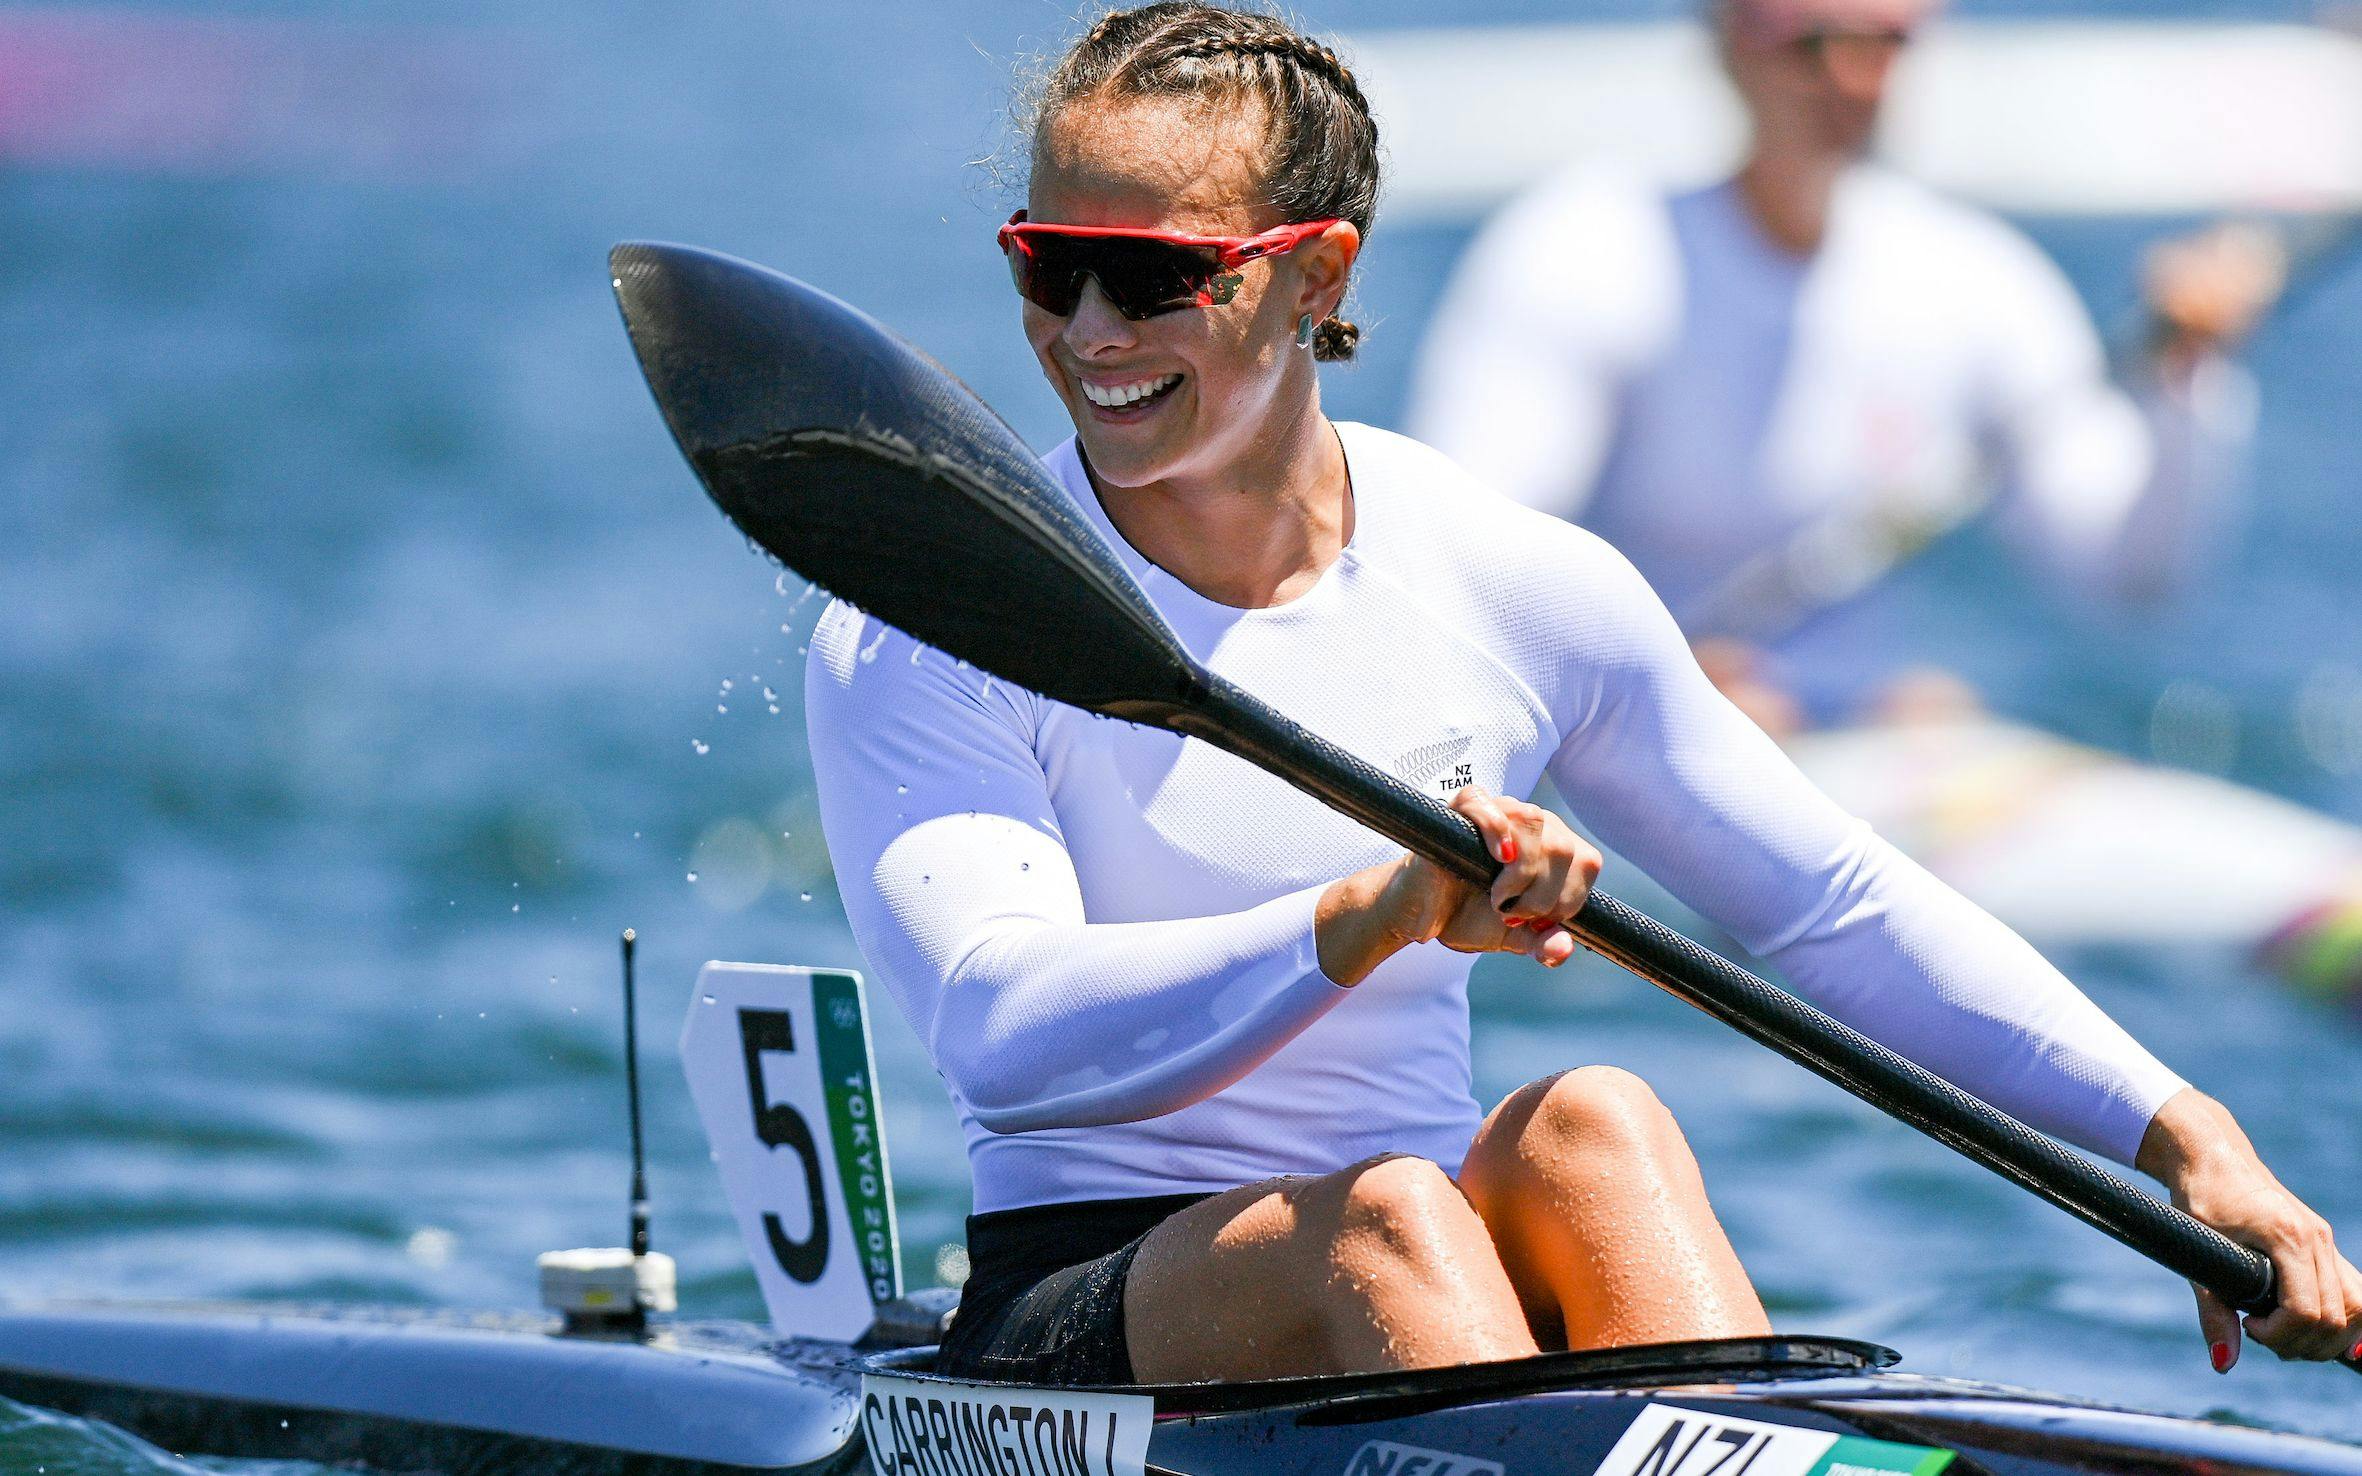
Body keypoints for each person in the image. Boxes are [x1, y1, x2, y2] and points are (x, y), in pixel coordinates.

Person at [803, 1, 2358, 1386]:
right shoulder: (940, 613)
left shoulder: (1505, 579)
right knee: (1397, 1217)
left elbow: (1832, 906)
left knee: (1593, 1126)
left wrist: (2186, 1139)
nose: (1085, 335)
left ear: (1314, 274)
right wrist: (1373, 913)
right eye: (1049, 264)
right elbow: (1002, 1029)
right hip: (1083, 1292)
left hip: (1425, 1283)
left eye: (1152, 280)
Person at [1405, 0, 2287, 732]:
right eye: (1814, 44)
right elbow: (1468, 570)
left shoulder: (1974, 279)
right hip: (1622, 731)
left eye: (1888, 44)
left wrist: (2187, 382)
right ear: (1728, 48)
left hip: (1873, 736)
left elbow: (2130, 582)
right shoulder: (1583, 252)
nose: (1856, 80)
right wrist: (1652, 683)